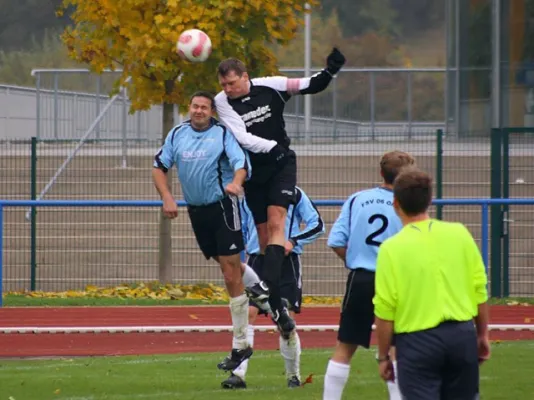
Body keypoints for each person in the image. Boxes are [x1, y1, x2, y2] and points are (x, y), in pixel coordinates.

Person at [214, 48, 346, 338]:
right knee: (263, 239)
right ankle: (275, 306)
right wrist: (270, 147)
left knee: (277, 222)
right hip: (254, 170)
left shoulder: (269, 86)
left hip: (281, 165)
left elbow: (309, 85)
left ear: (245, 77)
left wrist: (330, 71)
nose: (227, 89)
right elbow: (241, 137)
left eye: (232, 83)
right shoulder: (222, 102)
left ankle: (267, 289)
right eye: (224, 85)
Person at [152, 91, 264, 373]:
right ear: (189, 108)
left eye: (204, 107)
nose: (199, 111)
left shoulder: (223, 134)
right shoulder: (177, 134)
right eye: (195, 106)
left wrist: (236, 183)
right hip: (197, 211)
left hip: (224, 206)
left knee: (229, 273)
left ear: (212, 111)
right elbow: (158, 167)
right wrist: (167, 196)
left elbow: (241, 166)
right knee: (227, 265)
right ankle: (260, 291)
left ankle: (240, 344)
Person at [373, 168, 490, 400]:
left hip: (417, 342)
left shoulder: (391, 248)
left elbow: (385, 308)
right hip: (461, 335)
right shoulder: (459, 234)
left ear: (395, 203)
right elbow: (479, 289)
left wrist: (384, 355)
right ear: (430, 200)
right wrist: (482, 334)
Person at [322, 151, 416, 400]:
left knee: (344, 348)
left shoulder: (357, 199)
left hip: (362, 278)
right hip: (396, 280)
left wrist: (355, 261)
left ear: (380, 172)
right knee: (397, 349)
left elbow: (335, 241)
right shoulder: (408, 205)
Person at [221, 186, 325, 390]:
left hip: (286, 263)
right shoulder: (248, 193)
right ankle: (238, 374)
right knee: (248, 312)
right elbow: (241, 225)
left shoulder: (293, 193)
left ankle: (293, 377)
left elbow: (317, 224)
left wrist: (293, 241)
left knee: (285, 320)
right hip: (257, 260)